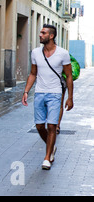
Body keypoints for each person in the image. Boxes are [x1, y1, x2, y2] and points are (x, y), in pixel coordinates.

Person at [22, 24, 73, 170]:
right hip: (39, 93)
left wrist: (70, 97)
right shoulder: (35, 53)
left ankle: (47, 157)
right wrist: (26, 91)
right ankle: (51, 148)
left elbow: (68, 76)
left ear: (51, 36)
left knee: (52, 126)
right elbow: (33, 73)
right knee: (39, 126)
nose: (40, 35)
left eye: (43, 33)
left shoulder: (63, 53)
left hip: (55, 93)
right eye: (40, 32)